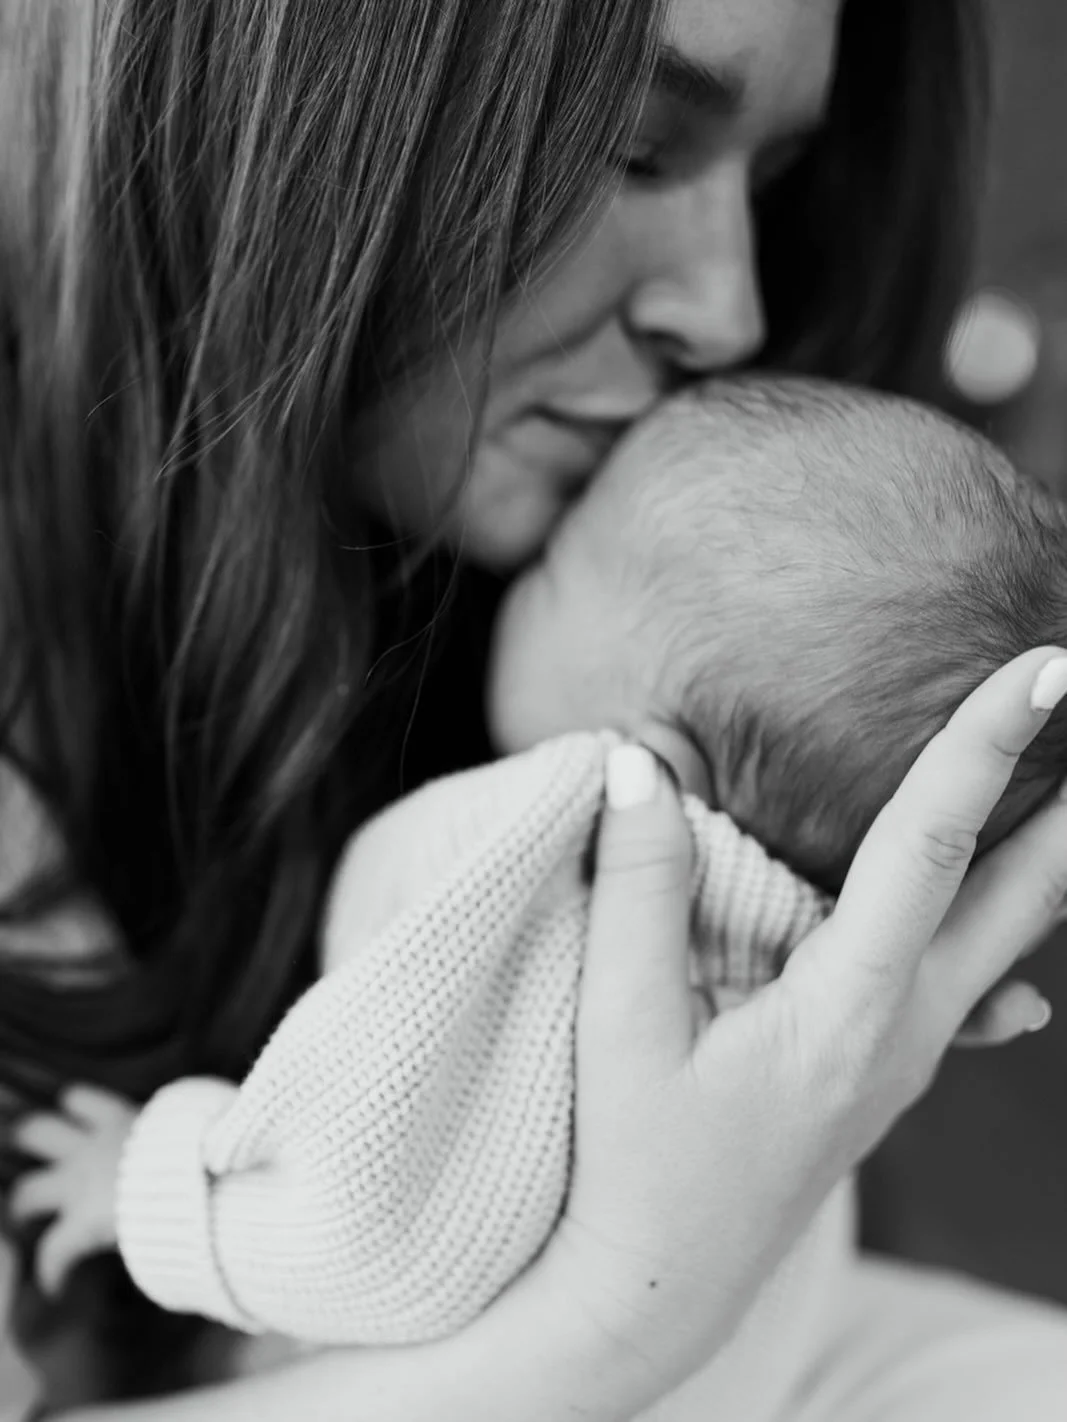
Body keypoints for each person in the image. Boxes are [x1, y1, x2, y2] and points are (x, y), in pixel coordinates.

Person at [2, 0, 1067, 1417]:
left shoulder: (482, 663)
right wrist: (616, 1322)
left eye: (764, 183)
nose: (731, 309)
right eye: (631, 150)